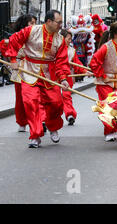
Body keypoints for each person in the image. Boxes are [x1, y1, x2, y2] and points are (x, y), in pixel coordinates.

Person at [6, 10, 70, 148]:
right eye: (58, 22)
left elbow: (61, 62)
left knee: (56, 103)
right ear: (49, 22)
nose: (61, 25)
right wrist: (13, 59)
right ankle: (35, 135)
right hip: (29, 72)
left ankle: (53, 127)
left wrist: (63, 78)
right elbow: (14, 40)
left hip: (49, 74)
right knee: (30, 103)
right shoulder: (31, 30)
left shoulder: (60, 40)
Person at [60, 29, 91, 126]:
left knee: (66, 96)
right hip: (55, 76)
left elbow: (77, 64)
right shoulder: (55, 49)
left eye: (70, 39)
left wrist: (85, 71)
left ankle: (70, 114)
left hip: (67, 76)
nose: (70, 41)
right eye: (68, 39)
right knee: (54, 98)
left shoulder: (71, 51)